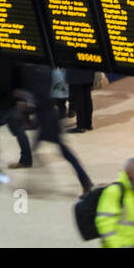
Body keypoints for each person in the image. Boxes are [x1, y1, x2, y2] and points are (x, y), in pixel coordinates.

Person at [21, 63, 92, 193]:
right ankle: (84, 179)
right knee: (54, 150)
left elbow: (43, 99)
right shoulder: (42, 70)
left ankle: (84, 179)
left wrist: (30, 108)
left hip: (47, 120)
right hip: (46, 118)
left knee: (63, 151)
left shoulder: (37, 72)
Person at [0, 59, 32, 170]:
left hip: (0, 105)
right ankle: (27, 160)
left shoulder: (0, 62)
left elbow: (3, 84)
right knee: (19, 131)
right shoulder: (11, 60)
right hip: (11, 104)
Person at [65, 66, 94, 133]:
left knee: (78, 99)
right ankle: (88, 124)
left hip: (75, 73)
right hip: (88, 71)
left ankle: (81, 126)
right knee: (87, 97)